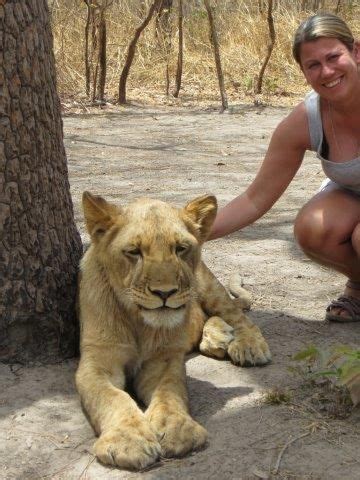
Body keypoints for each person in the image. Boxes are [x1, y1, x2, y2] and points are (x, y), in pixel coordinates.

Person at [209, 12, 360, 322]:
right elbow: (254, 199)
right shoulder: (305, 120)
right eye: (313, 65)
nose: (327, 71)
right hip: (351, 194)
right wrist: (186, 233)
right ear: (303, 72)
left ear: (356, 52)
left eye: (334, 56)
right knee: (312, 228)